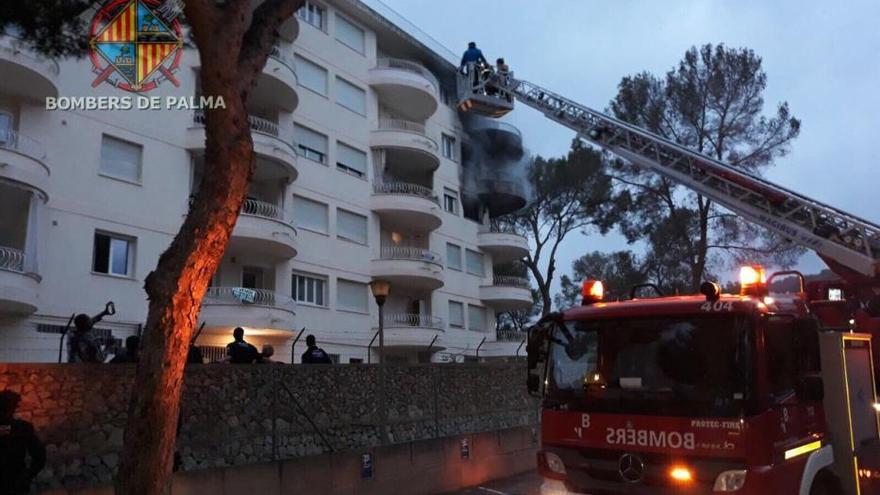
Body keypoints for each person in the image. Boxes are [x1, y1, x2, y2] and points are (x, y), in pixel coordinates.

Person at [0, 390, 45, 494]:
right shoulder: (22, 428)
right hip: (16, 482)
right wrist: (27, 476)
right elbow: (39, 455)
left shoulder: (20, 428)